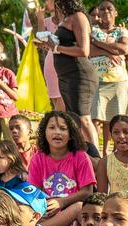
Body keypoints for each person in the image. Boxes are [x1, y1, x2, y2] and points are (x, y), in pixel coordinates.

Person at [39, 0, 99, 156]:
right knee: (73, 119)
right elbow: (65, 45)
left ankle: (97, 159)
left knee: (84, 119)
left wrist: (56, 47)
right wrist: (49, 45)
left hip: (79, 74)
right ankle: (82, 156)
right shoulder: (66, 18)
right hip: (65, 76)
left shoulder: (78, 17)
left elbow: (84, 50)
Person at [27, 111, 96, 226]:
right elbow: (33, 192)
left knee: (79, 207)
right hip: (47, 210)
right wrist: (41, 210)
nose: (57, 132)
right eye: (52, 128)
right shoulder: (37, 158)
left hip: (72, 210)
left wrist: (62, 202)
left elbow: (87, 192)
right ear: (44, 132)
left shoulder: (80, 156)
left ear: (71, 135)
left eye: (63, 129)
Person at [88, 0, 128, 156]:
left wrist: (97, 43)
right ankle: (95, 152)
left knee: (115, 120)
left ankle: (112, 152)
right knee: (95, 119)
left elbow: (124, 48)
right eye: (102, 9)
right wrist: (108, 52)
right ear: (98, 13)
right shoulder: (91, 30)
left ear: (116, 13)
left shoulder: (122, 31)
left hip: (118, 81)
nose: (106, 11)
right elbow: (87, 50)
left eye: (109, 8)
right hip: (96, 81)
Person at [34, 0, 65, 112]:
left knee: (63, 101)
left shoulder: (69, 19)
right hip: (51, 63)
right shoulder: (46, 21)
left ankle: (57, 119)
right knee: (55, 99)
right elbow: (41, 38)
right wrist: (40, 19)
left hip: (65, 61)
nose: (47, 2)